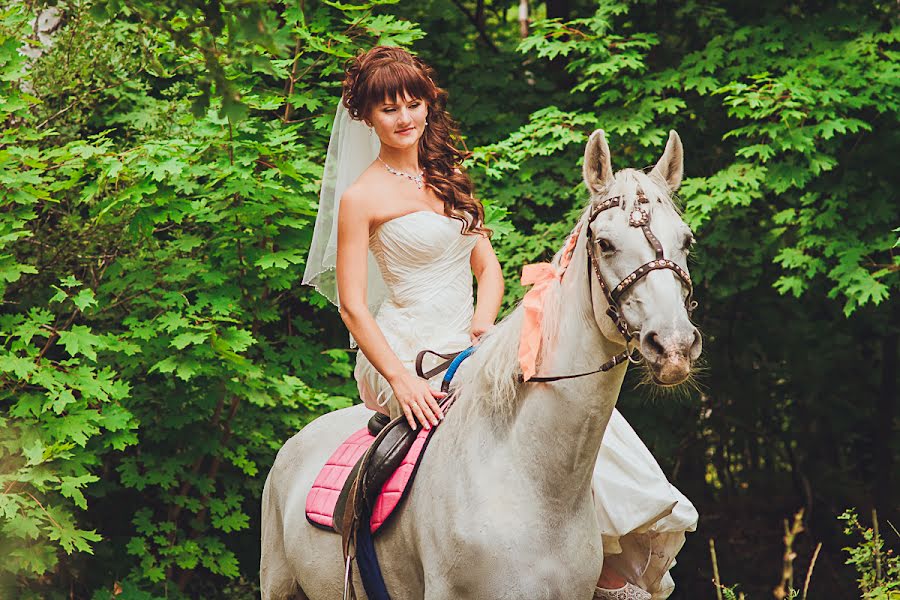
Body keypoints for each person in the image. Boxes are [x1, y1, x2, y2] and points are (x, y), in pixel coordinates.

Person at [302, 45, 697, 600]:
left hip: (468, 341)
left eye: (414, 104)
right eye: (389, 109)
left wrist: (484, 326)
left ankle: (605, 561)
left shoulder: (448, 177)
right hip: (402, 350)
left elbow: (486, 270)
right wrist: (399, 378)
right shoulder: (360, 198)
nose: (405, 118)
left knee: (563, 406)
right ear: (366, 116)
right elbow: (353, 306)